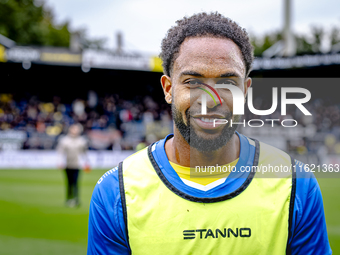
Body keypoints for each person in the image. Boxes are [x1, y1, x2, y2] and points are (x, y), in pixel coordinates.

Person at [87, 12, 332, 254]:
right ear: (169, 88)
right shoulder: (116, 192)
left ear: (245, 91)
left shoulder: (296, 185)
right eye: (193, 82)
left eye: (228, 82)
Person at [57, 123, 90, 207]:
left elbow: (84, 153)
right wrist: (60, 162)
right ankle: (68, 199)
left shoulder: (81, 141)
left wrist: (87, 162)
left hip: (77, 165)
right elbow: (60, 152)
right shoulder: (64, 140)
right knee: (68, 182)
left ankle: (76, 199)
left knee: (75, 182)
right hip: (67, 165)